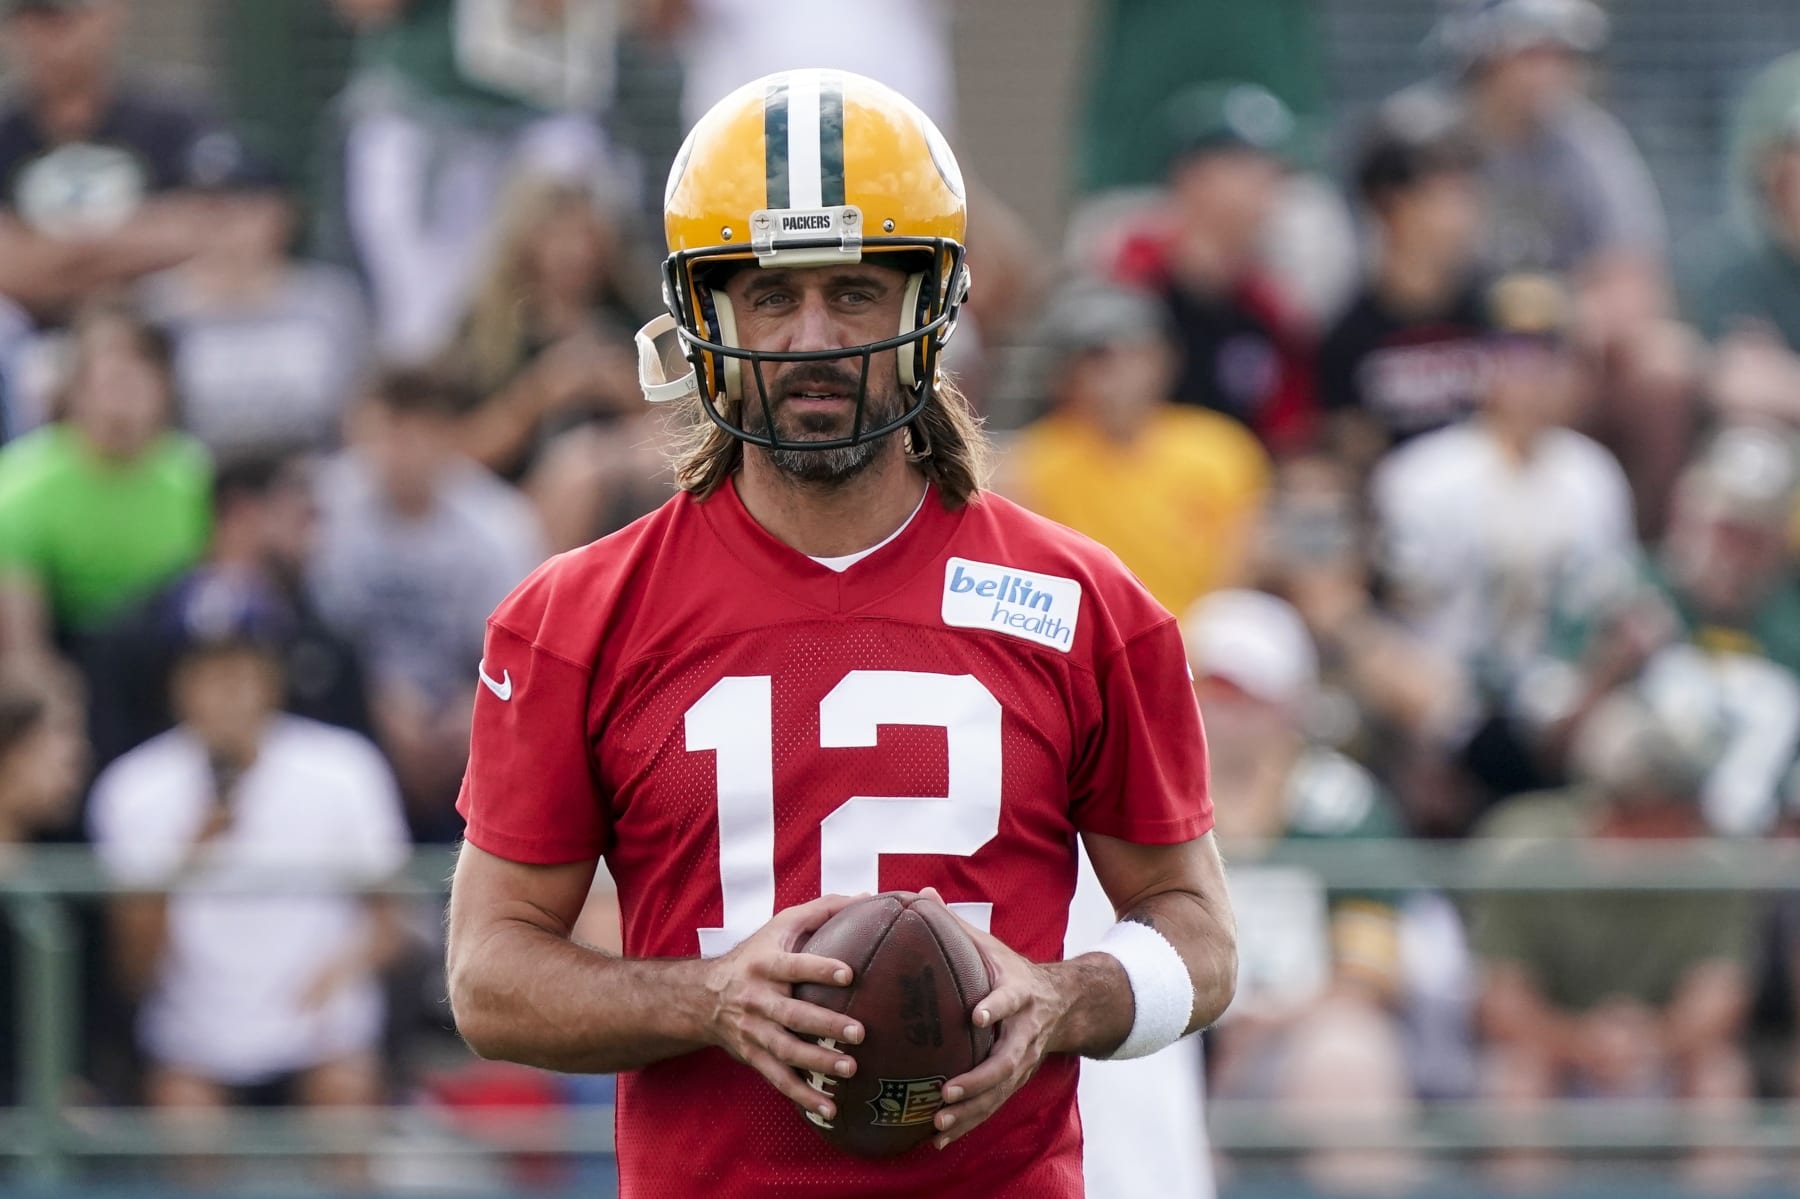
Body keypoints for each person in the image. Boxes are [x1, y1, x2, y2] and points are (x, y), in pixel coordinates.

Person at [447, 70, 1237, 1198]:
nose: (812, 337)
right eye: (771, 295)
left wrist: (1066, 997)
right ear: (704, 315)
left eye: (857, 292)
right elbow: (488, 976)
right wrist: (711, 997)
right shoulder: (578, 616)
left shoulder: (1082, 602)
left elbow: (1201, 936)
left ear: (931, 306)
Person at [86, 583, 409, 1164]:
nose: (227, 692)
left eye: (242, 670)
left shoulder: (344, 768)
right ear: (178, 686)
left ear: (272, 677)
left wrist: (337, 972)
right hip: (196, 1034)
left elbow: (390, 921)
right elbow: (131, 969)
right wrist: (188, 857)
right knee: (185, 1120)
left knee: (347, 1103)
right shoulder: (133, 789)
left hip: (321, 1029)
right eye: (208, 674)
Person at [308, 367, 545, 840]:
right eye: (385, 433)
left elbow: (522, 645)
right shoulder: (327, 509)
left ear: (446, 435)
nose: (399, 454)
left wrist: (469, 709)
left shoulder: (499, 525)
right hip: (360, 705)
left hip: (465, 708)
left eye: (415, 434)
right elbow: (321, 630)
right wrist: (379, 698)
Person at [1000, 276, 1269, 617]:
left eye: (1120, 356)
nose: (1107, 376)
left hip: (1199, 637)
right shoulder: (1032, 463)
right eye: (1090, 359)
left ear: (1162, 359)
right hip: (1090, 640)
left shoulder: (1220, 448)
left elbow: (1239, 573)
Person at [84, 453, 370, 769]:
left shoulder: (322, 643)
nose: (313, 539)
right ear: (239, 515)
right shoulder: (139, 636)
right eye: (301, 519)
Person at [1109, 82, 1315, 451]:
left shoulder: (1266, 305)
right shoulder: (1129, 280)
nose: (1268, 185)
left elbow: (1287, 425)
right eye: (1246, 167)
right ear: (1193, 176)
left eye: (1273, 170)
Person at [0, 302, 211, 659]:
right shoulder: (20, 484)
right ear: (75, 390)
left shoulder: (194, 473)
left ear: (165, 389)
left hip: (169, 656)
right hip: (66, 649)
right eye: (111, 380)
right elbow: (22, 647)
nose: (123, 395)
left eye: (138, 376)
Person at [138, 144, 374, 462]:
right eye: (207, 211)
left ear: (282, 214)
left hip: (311, 485)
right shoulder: (154, 307)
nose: (222, 227)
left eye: (240, 209)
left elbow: (361, 413)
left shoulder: (329, 302)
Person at [0, 0, 222, 321]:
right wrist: (130, 246)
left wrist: (47, 248)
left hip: (160, 331)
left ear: (110, 17)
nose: (47, 39)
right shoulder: (6, 130)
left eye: (63, 21)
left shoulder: (173, 120)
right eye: (32, 23)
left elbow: (210, 231)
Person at [1318, 91, 1490, 472]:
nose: (1463, 214)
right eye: (1443, 194)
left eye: (1468, 192)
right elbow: (1354, 457)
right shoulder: (1349, 338)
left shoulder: (1494, 314)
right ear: (1388, 204)